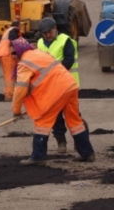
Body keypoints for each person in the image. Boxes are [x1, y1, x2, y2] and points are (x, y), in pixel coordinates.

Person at [10, 38, 95, 165]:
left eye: (14, 53)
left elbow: (20, 89)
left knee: (42, 120)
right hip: (70, 85)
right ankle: (87, 153)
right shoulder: (38, 53)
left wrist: (16, 111)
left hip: (58, 91)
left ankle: (37, 157)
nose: (13, 56)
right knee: (75, 121)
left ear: (19, 50)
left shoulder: (24, 64)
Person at [36, 18, 81, 154]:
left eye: (49, 32)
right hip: (50, 87)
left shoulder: (66, 40)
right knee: (56, 117)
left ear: (55, 28)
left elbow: (68, 60)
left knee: (74, 117)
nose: (47, 35)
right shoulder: (40, 43)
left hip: (68, 86)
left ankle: (80, 143)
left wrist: (52, 71)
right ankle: (61, 142)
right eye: (45, 33)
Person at [0, 26, 20, 101]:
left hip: (3, 54)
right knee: (10, 76)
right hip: (8, 55)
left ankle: (10, 93)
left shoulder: (8, 31)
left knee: (8, 75)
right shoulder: (15, 30)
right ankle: (9, 95)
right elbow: (14, 42)